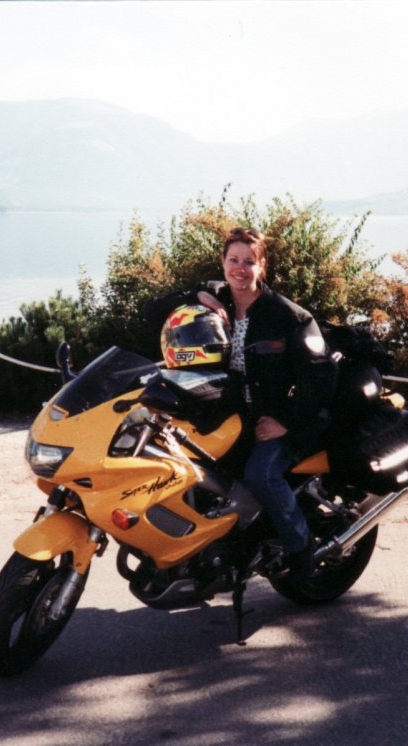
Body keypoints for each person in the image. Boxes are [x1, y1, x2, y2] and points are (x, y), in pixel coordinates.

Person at [145, 227, 338, 574]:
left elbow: (322, 375)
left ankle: (301, 550)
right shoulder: (216, 299)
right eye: (233, 260)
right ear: (222, 262)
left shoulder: (287, 316)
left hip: (276, 420)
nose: (240, 268)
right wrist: (194, 296)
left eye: (249, 261)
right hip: (229, 415)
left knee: (261, 474)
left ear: (262, 266)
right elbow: (150, 314)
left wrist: (286, 422)